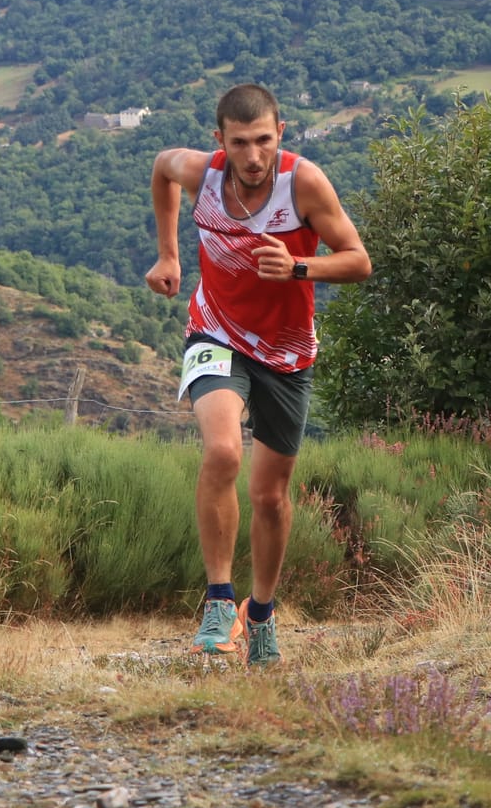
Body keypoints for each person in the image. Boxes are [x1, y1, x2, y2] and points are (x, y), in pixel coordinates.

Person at [145, 83, 371, 665]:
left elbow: (358, 260)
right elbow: (161, 169)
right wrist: (169, 254)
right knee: (223, 453)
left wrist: (299, 266)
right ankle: (219, 600)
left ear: (281, 134)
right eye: (240, 142)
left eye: (263, 141)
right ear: (219, 140)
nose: (252, 156)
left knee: (270, 496)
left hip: (288, 353)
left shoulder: (304, 184)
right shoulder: (204, 174)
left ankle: (261, 615)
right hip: (215, 332)